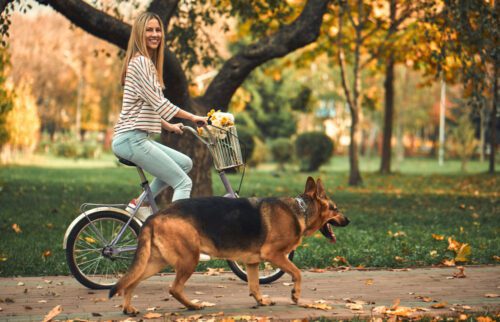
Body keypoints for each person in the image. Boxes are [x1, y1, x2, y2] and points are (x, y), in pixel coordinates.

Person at [112, 12, 207, 220]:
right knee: (184, 182)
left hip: (136, 138)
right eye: (149, 30)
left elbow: (147, 105)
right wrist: (193, 117)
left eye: (158, 30)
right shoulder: (142, 64)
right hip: (131, 139)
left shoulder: (144, 63)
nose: (155, 34)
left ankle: (140, 203)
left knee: (185, 163)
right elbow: (160, 104)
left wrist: (169, 126)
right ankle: (176, 235)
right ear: (139, 33)